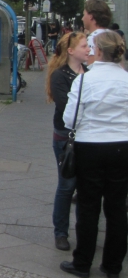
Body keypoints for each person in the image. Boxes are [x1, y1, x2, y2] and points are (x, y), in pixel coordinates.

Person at [59, 31, 128, 278]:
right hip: (122, 146)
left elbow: (70, 119)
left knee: (88, 207)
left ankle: (83, 263)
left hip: (90, 146)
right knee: (117, 207)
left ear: (99, 51)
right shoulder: (126, 79)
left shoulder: (84, 80)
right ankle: (112, 265)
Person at [45, 31, 89, 251]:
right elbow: (65, 108)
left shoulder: (89, 73)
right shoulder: (60, 75)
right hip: (66, 135)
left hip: (88, 136)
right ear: (71, 51)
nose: (88, 49)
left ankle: (84, 230)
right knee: (67, 185)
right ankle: (60, 232)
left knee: (85, 186)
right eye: (84, 47)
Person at [82, 0, 112, 66]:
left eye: (84, 14)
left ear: (91, 17)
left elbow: (91, 68)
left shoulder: (93, 38)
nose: (82, 18)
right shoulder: (113, 36)